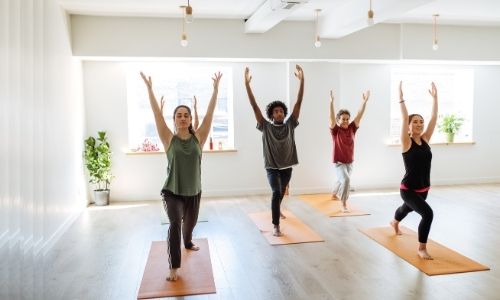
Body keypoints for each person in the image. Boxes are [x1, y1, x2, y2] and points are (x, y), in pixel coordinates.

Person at [140, 71, 223, 281]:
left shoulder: (199, 138)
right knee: (175, 224)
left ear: (190, 119)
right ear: (174, 119)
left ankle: (188, 241)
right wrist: (149, 89)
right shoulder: (169, 139)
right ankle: (174, 268)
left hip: (194, 191)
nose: (183, 117)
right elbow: (156, 114)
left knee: (190, 225)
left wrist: (215, 91)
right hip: (172, 191)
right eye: (179, 115)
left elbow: (210, 115)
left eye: (186, 115)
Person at [244, 65, 304, 237]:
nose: (278, 113)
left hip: (287, 167)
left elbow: (298, 102)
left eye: (281, 111)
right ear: (271, 115)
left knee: (282, 192)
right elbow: (254, 106)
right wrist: (247, 85)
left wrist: (302, 80)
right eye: (275, 112)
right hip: (272, 167)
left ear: (284, 114)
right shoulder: (265, 127)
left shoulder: (290, 124)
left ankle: (277, 210)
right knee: (276, 192)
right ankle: (276, 225)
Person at [390, 81, 438, 260]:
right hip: (408, 189)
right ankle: (421, 248)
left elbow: (434, 118)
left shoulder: (425, 139)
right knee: (428, 214)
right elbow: (404, 118)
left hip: (424, 189)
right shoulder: (406, 142)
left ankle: (394, 222)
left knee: (406, 209)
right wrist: (401, 99)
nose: (419, 124)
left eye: (421, 122)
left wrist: (435, 98)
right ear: (409, 126)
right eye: (415, 122)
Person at [329, 89, 370, 212]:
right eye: (343, 119)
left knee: (341, 179)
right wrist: (331, 103)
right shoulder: (335, 130)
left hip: (350, 162)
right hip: (339, 163)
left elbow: (359, 114)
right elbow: (331, 118)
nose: (346, 121)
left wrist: (364, 101)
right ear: (338, 120)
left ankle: (333, 194)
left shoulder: (352, 128)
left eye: (347, 119)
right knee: (346, 180)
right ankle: (344, 204)